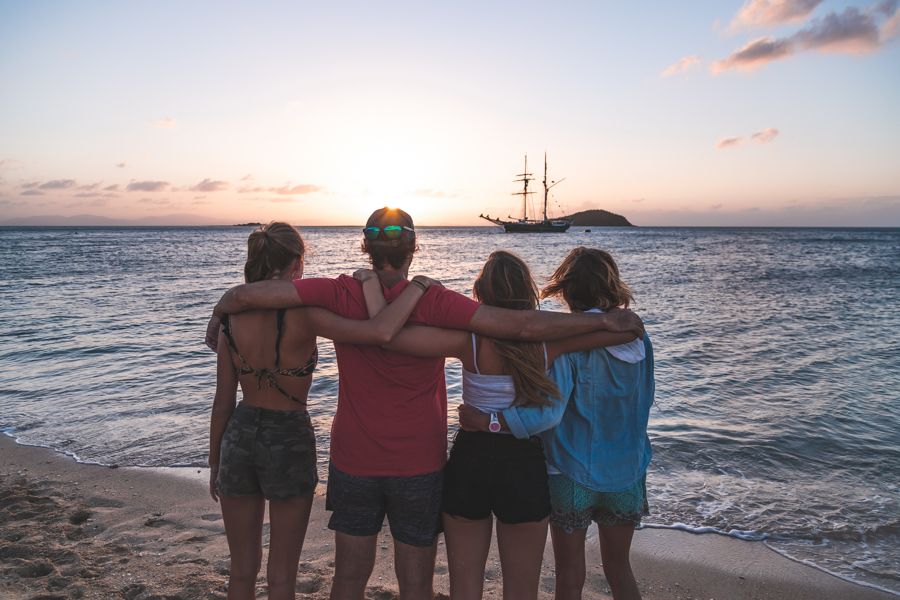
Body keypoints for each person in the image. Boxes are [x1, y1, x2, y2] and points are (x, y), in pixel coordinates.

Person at [204, 208, 644, 600]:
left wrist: (223, 306)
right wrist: (607, 323)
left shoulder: (339, 292)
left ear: (365, 248)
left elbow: (258, 295)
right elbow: (521, 326)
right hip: (420, 462)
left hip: (355, 457)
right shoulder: (436, 300)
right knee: (417, 584)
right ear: (414, 249)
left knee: (349, 578)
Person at [357, 250, 636, 600]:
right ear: (528, 292)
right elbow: (627, 334)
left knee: (465, 586)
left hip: (470, 458)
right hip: (523, 462)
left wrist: (389, 293)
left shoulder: (466, 340)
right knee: (521, 590)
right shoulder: (547, 343)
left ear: (480, 294)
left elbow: (393, 337)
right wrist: (606, 319)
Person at [208, 222, 436, 600]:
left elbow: (222, 402)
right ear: (297, 265)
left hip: (240, 435)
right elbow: (379, 332)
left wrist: (215, 460)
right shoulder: (307, 315)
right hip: (288, 438)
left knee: (241, 570)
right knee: (282, 574)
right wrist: (401, 287)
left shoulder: (232, 317)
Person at [460, 247, 654, 600]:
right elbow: (646, 399)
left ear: (566, 290)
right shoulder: (639, 338)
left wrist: (492, 420)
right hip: (627, 472)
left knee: (569, 575)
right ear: (613, 286)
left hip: (570, 472)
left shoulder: (566, 343)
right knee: (619, 567)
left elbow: (550, 411)